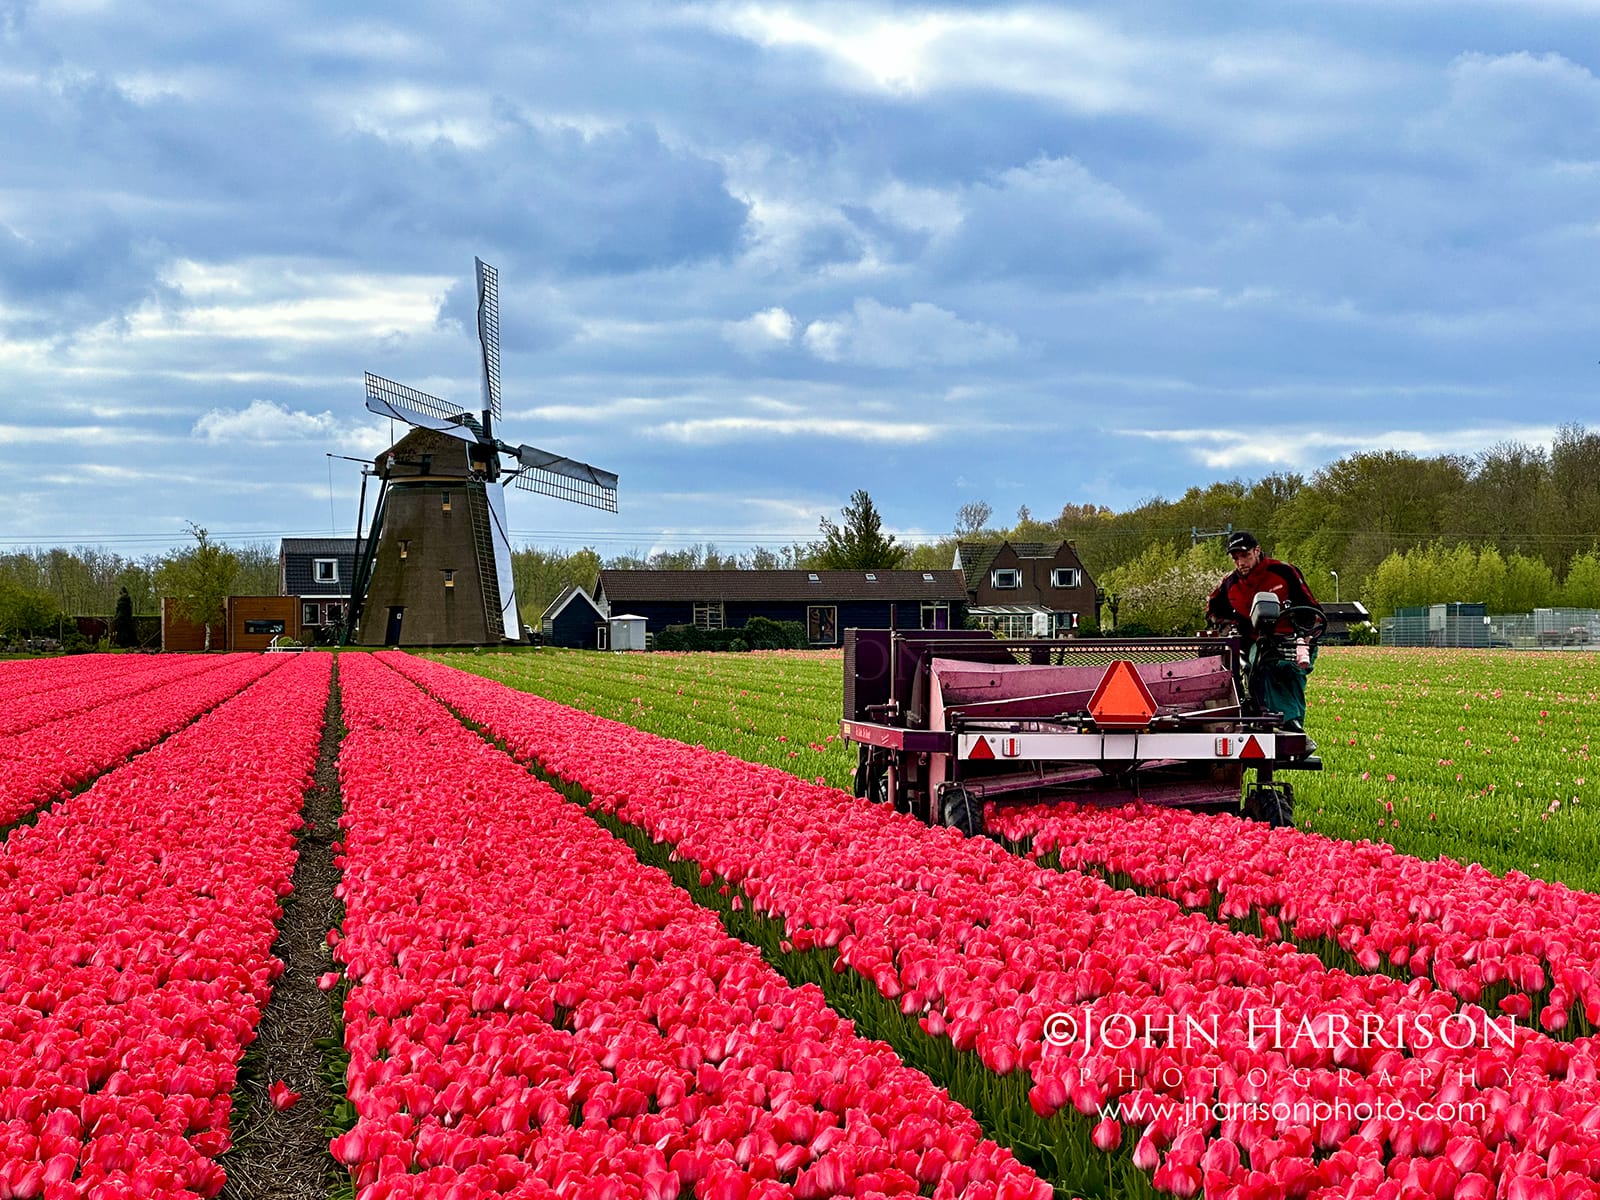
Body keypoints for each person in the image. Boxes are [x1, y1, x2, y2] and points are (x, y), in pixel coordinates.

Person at [1206, 531, 1322, 735]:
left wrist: (1303, 636)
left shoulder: (1283, 572)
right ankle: (1275, 720)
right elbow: (1213, 611)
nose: (1240, 562)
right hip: (1255, 642)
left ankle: (1290, 724)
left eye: (1245, 556)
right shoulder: (1230, 584)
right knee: (1260, 666)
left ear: (1257, 551)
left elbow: (1311, 608)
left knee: (1289, 670)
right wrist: (1231, 626)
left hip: (1292, 639)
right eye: (1235, 558)